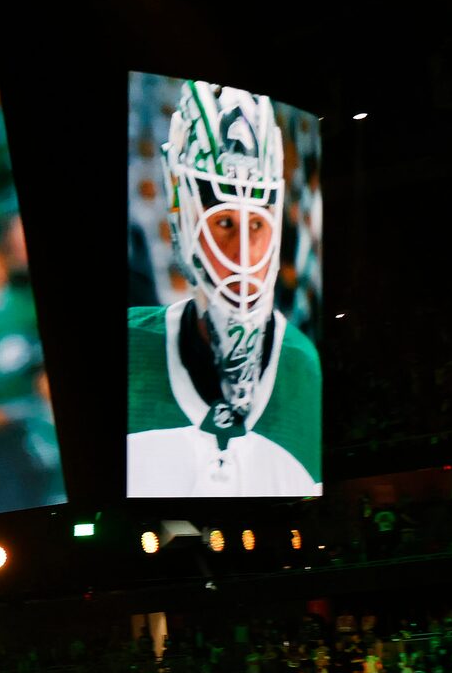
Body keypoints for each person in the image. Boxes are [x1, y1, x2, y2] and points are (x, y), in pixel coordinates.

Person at [126, 81, 322, 498]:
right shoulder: (130, 345)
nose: (245, 256)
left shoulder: (305, 370)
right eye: (224, 223)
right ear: (182, 217)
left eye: (256, 224)